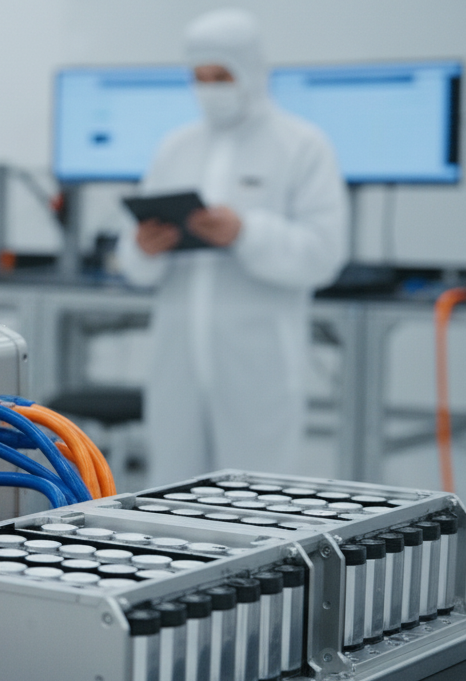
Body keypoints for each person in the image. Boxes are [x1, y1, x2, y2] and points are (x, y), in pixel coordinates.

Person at [116, 8, 347, 484]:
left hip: (260, 372)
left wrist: (247, 233)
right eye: (199, 77)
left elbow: (324, 254)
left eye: (221, 76)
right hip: (175, 369)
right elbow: (134, 266)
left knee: (256, 505)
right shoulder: (175, 147)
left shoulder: (302, 146)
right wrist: (145, 247)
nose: (210, 89)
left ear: (251, 70)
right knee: (173, 501)